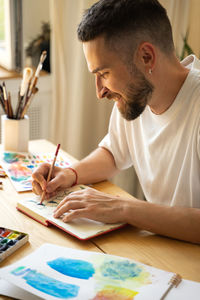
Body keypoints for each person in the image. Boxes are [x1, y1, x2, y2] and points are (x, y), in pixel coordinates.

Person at [32, 0, 200, 244]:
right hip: (164, 249)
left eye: (104, 74)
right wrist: (69, 174)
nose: (100, 92)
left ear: (146, 56)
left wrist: (124, 208)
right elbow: (113, 153)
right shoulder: (138, 96)